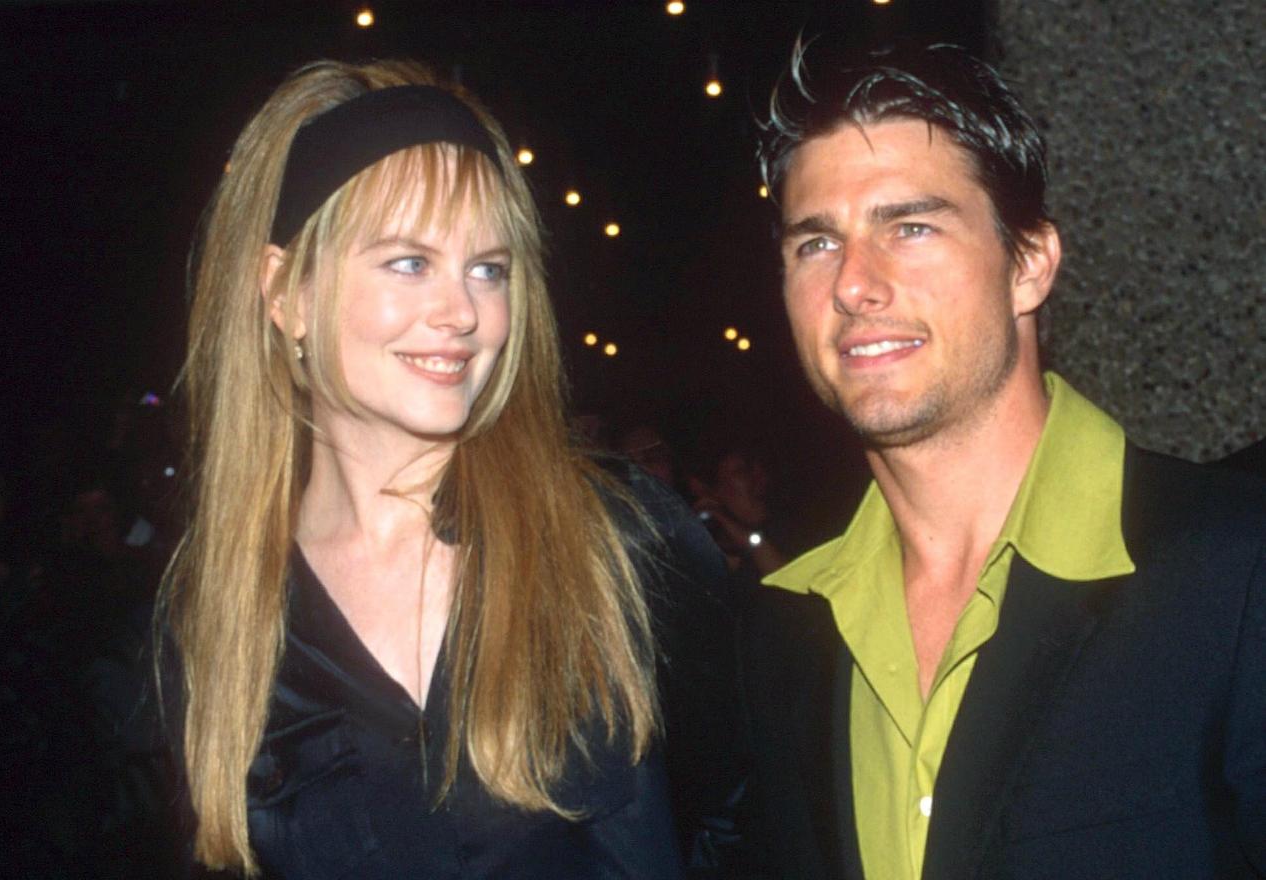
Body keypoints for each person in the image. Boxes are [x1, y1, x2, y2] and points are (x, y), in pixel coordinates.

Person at [158, 60, 726, 878]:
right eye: (409, 262)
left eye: (488, 269)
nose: (463, 312)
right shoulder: (216, 618)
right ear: (285, 293)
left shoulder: (624, 540)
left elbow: (751, 824)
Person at [741, 40, 1266, 879]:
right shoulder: (784, 629)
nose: (852, 284)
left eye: (909, 226)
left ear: (1029, 266)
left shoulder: (1237, 572)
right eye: (815, 244)